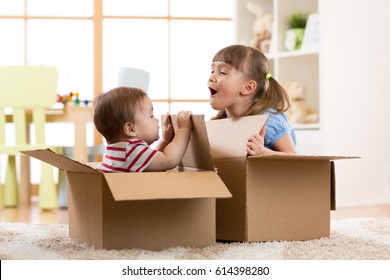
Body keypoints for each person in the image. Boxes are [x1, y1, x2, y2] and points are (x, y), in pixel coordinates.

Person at [208, 44, 297, 156]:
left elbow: (293, 156)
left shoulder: (268, 120)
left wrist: (263, 152)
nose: (211, 78)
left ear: (248, 87)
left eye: (222, 72)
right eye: (212, 71)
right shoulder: (222, 121)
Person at [93, 87, 192, 172]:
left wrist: (165, 140)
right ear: (131, 129)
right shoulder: (129, 152)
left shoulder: (121, 152)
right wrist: (184, 128)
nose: (157, 120)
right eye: (151, 116)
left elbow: (152, 162)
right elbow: (169, 160)